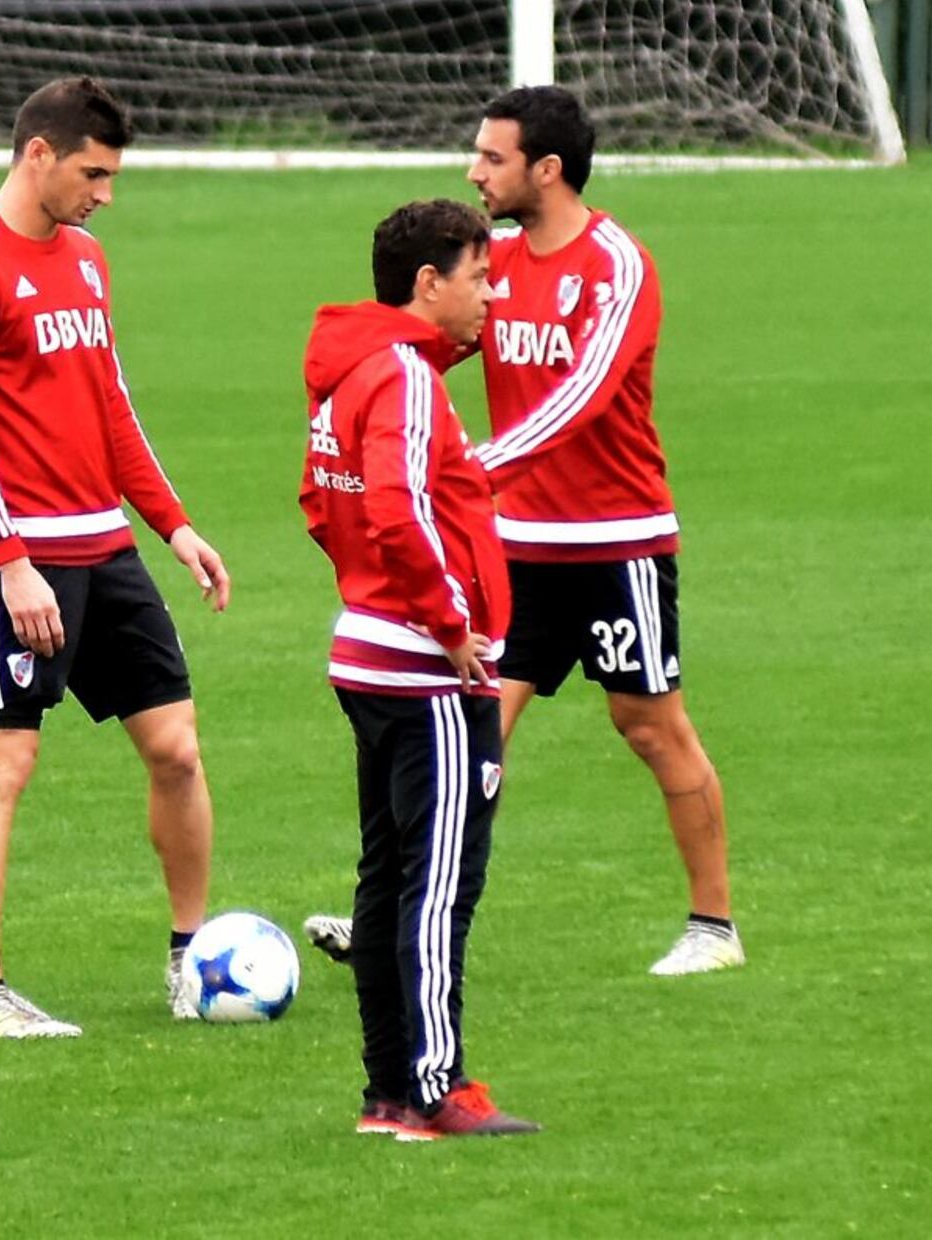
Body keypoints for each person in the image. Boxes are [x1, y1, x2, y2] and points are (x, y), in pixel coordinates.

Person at [304, 86, 743, 978]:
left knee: (649, 725)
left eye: (492, 157)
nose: (475, 171)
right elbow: (418, 347)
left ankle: (714, 926)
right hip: (512, 547)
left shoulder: (617, 265)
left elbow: (584, 397)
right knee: (470, 730)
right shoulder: (490, 264)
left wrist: (468, 469)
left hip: (615, 540)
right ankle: (396, 915)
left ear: (546, 169)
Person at [0, 77, 230, 1037]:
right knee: (3, 763)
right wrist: (8, 561)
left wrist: (174, 524)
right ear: (39, 154)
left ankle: (191, 960)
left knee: (177, 751)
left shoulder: (86, 260)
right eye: (93, 174)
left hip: (107, 546)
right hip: (21, 558)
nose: (105, 195)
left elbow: (110, 402)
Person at [300, 199, 538, 1138]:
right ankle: (440, 1088)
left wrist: (369, 592)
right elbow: (397, 510)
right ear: (428, 282)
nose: (491, 297)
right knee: (439, 886)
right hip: (427, 670)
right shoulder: (401, 376)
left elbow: (320, 502)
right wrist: (448, 625)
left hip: (370, 653)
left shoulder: (353, 368)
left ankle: (389, 1094)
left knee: (388, 878)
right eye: (480, 278)